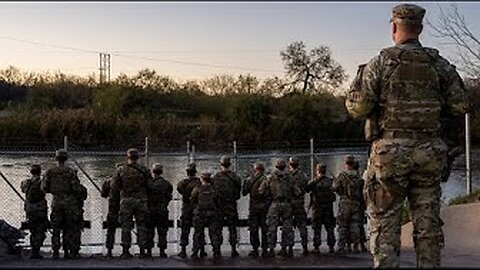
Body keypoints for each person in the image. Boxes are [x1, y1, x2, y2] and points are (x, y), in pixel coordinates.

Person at [345, 3, 466, 267]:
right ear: (420, 29)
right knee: (428, 225)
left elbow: (360, 108)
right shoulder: (440, 65)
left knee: (385, 225)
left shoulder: (380, 63)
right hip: (429, 154)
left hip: (390, 154)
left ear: (394, 27)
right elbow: (460, 105)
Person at [41, 149, 84, 259]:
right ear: (66, 159)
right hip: (69, 202)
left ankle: (55, 251)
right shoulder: (70, 172)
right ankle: (66, 251)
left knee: (56, 227)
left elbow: (44, 187)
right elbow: (76, 188)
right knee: (68, 227)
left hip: (56, 201)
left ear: (56, 158)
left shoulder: (50, 171)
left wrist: (53, 190)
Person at [111, 148, 153, 258]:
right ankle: (143, 250)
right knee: (142, 225)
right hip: (141, 201)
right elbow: (150, 187)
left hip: (126, 201)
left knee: (126, 227)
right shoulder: (144, 170)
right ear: (137, 157)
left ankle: (125, 251)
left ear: (127, 157)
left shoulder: (121, 170)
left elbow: (114, 187)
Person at [259, 159, 300, 258]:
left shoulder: (270, 177)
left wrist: (269, 195)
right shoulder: (290, 177)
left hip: (274, 204)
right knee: (288, 227)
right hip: (287, 204)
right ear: (285, 167)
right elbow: (297, 192)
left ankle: (271, 249)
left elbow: (261, 191)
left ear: (276, 167)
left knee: (272, 227)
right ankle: (287, 248)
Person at [332, 155, 364, 254]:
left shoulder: (341, 175)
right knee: (355, 225)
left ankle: (341, 246)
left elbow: (334, 188)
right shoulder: (359, 176)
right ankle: (355, 246)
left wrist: (341, 193)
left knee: (342, 225)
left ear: (345, 164)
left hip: (345, 202)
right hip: (356, 203)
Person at [211, 155, 242, 257]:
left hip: (219, 207)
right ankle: (233, 249)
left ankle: (217, 250)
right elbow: (238, 194)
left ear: (221, 164)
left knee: (217, 228)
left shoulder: (215, 178)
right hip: (231, 206)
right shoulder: (235, 177)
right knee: (232, 227)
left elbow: (213, 193)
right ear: (230, 164)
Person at [190, 172, 223, 260]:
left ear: (201, 179)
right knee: (214, 234)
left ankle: (195, 252)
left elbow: (192, 200)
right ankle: (216, 252)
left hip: (199, 214)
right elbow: (218, 202)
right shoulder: (214, 189)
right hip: (212, 214)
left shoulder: (197, 189)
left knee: (198, 234)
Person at [176, 163, 205, 258]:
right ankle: (200, 250)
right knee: (199, 230)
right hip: (197, 207)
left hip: (186, 207)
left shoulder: (182, 183)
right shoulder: (199, 182)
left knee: (185, 229)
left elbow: (179, 189)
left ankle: (183, 250)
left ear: (187, 172)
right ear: (195, 172)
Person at [306, 162, 336, 254]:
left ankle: (316, 247)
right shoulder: (330, 181)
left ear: (317, 171)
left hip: (317, 208)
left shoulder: (314, 182)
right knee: (330, 227)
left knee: (316, 228)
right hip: (328, 207)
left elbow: (306, 189)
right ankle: (331, 247)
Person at [242, 162, 270, 257]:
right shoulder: (267, 179)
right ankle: (265, 249)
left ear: (255, 170)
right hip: (265, 207)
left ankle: (255, 248)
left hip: (254, 207)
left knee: (253, 228)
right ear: (263, 170)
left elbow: (244, 193)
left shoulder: (250, 180)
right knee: (265, 228)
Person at [20, 164, 49, 259]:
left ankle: (34, 251)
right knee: (41, 231)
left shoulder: (26, 182)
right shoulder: (41, 182)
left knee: (33, 231)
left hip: (30, 210)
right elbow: (47, 189)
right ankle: (36, 251)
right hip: (40, 210)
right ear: (40, 172)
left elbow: (23, 190)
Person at [147, 163, 173, 258]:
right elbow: (169, 196)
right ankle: (162, 251)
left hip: (150, 210)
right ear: (161, 172)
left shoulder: (148, 183)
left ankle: (149, 251)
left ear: (152, 171)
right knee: (162, 231)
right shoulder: (166, 184)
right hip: (162, 209)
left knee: (149, 231)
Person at [288, 156, 309, 255]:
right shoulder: (303, 176)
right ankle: (305, 246)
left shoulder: (288, 176)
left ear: (290, 164)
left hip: (289, 204)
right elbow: (306, 187)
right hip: (300, 203)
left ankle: (289, 247)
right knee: (302, 225)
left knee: (288, 226)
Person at [100, 163, 122, 258]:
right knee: (126, 228)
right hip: (124, 206)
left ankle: (109, 250)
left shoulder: (109, 181)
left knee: (111, 229)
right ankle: (126, 250)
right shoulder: (127, 181)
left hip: (113, 207)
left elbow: (104, 195)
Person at [353, 161, 368, 253]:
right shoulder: (361, 179)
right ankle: (362, 245)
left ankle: (353, 245)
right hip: (360, 203)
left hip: (351, 203)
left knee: (350, 225)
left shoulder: (344, 176)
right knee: (360, 225)